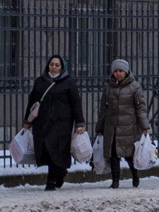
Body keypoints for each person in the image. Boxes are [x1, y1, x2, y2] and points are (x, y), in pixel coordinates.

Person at [23, 55, 86, 191]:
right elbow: (32, 101)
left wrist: (79, 123)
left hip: (61, 123)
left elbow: (76, 103)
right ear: (48, 65)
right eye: (52, 64)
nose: (54, 67)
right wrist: (27, 120)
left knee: (56, 151)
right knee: (46, 150)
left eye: (57, 65)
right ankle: (61, 172)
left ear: (62, 67)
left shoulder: (68, 82)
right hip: (43, 123)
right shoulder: (41, 81)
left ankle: (51, 181)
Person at [98, 59, 150, 188]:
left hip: (129, 127)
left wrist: (145, 126)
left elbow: (140, 107)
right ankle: (115, 180)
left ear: (126, 72)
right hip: (112, 127)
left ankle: (135, 175)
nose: (118, 74)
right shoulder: (108, 87)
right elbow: (103, 109)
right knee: (114, 154)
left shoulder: (134, 86)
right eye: (115, 71)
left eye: (121, 71)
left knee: (130, 155)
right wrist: (99, 127)